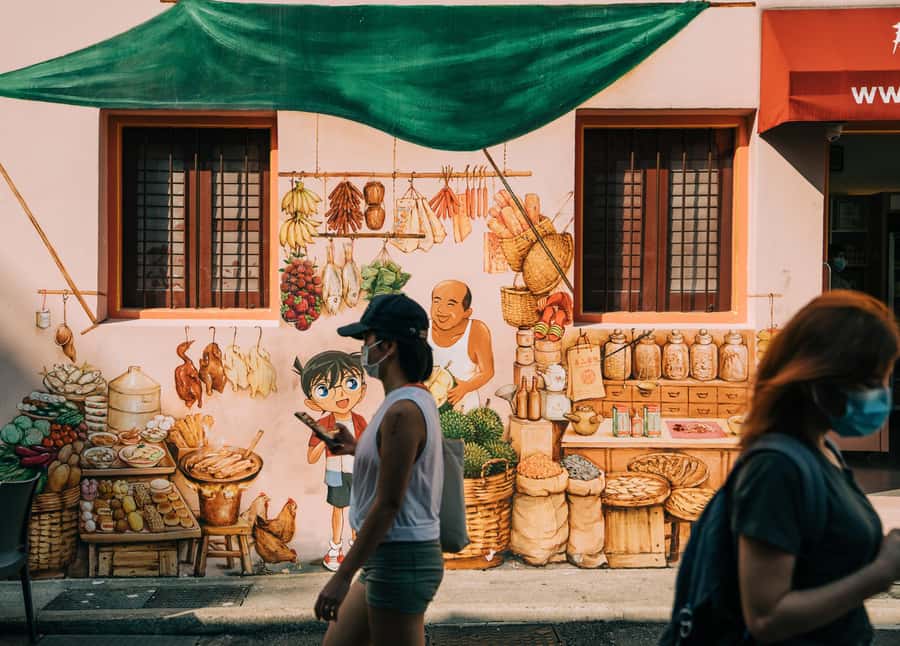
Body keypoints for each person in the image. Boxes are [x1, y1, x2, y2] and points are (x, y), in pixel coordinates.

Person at [731, 290, 900, 644]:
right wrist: (881, 572)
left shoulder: (825, 451)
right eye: (872, 382)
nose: (884, 392)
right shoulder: (777, 468)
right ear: (823, 379)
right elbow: (767, 618)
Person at [314, 293, 444, 646]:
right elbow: (400, 465)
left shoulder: (403, 411)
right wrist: (356, 449)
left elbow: (389, 503)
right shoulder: (406, 401)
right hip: (386, 559)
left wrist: (341, 577)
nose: (363, 351)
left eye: (366, 341)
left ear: (388, 347)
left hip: (401, 561)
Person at [295, 351, 368, 571]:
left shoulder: (359, 421)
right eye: (325, 389)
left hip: (358, 472)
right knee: (339, 508)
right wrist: (324, 441)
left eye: (350, 383)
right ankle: (335, 550)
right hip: (335, 473)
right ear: (313, 403)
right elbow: (311, 458)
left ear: (361, 391)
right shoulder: (322, 424)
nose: (341, 394)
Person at [428, 279, 494, 412]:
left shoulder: (477, 330)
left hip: (465, 409)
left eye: (451, 304)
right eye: (436, 301)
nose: (441, 309)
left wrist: (466, 387)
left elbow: (487, 371)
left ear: (467, 312)